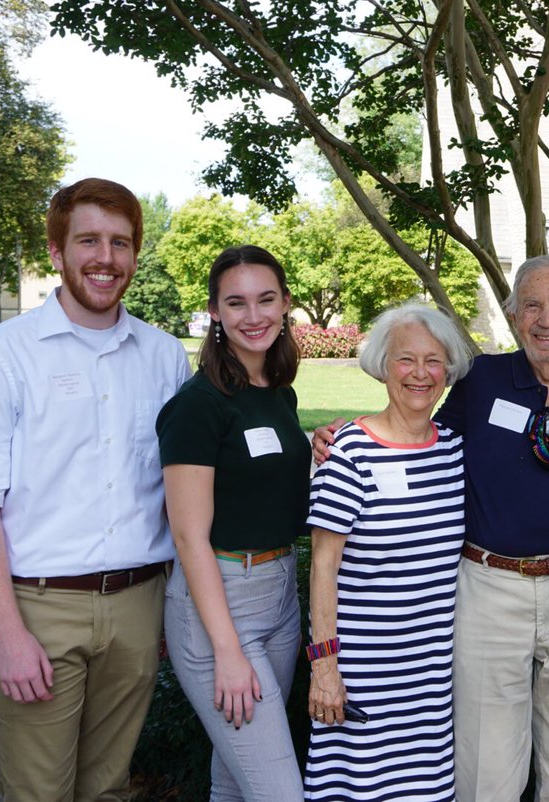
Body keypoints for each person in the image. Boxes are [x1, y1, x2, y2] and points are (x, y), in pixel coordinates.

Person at [313, 256, 549, 801]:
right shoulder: (483, 380)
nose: (545, 319)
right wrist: (341, 435)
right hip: (490, 586)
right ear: (512, 316)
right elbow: (416, 425)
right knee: (487, 756)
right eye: (531, 304)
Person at [0, 178, 190, 800]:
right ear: (57, 252)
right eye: (88, 239)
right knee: (38, 792)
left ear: (136, 254)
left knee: (108, 789)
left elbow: (186, 485)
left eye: (120, 242)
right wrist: (6, 633)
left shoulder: (166, 358)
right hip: (39, 609)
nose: (106, 258)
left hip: (140, 604)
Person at [155, 245, 307, 800]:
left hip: (280, 597)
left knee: (235, 779)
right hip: (219, 604)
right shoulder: (199, 404)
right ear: (215, 312)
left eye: (266, 299)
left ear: (286, 303)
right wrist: (226, 651)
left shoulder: (278, 393)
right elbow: (189, 536)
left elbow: (268, 484)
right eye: (236, 303)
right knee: (279, 791)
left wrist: (323, 448)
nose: (254, 316)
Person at [304, 303, 472, 801]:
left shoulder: (454, 450)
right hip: (360, 676)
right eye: (406, 359)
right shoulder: (349, 450)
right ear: (382, 365)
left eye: (433, 360)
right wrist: (324, 668)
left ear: (448, 371)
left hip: (428, 683)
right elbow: (322, 569)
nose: (420, 374)